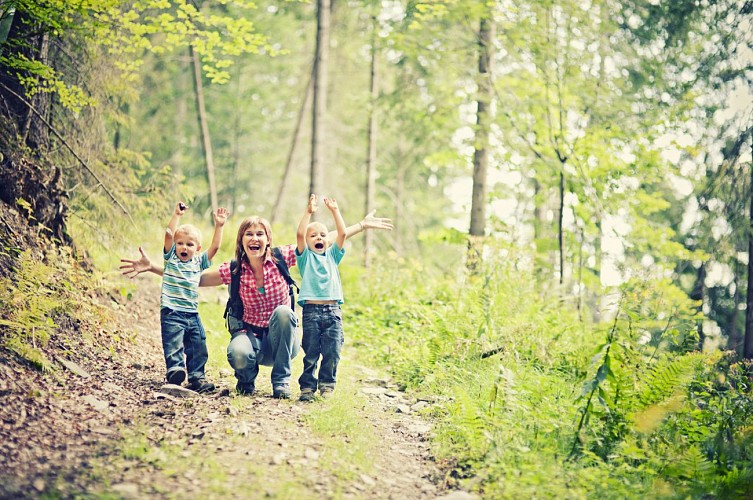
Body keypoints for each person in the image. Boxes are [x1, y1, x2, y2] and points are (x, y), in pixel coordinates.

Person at [120, 209, 393, 399]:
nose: (255, 238)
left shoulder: (282, 257)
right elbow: (194, 278)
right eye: (249, 234)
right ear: (241, 241)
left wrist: (361, 226)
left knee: (285, 313)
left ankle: (281, 380)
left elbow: (324, 239)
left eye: (260, 234)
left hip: (280, 344)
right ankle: (246, 380)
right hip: (250, 340)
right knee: (238, 353)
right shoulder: (235, 269)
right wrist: (155, 267)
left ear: (268, 239)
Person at [159, 202, 228, 394]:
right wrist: (176, 215)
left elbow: (214, 248)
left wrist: (219, 226)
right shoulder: (171, 257)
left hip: (192, 313)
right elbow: (168, 235)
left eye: (189, 244)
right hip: (171, 311)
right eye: (180, 243)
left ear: (197, 248)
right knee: (173, 342)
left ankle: (197, 377)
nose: (184, 247)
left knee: (198, 344)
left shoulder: (198, 261)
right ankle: (175, 370)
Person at [296, 194, 346, 402]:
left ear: (328, 240)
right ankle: (307, 387)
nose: (319, 238)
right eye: (313, 236)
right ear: (307, 242)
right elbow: (299, 233)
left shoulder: (333, 257)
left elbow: (342, 233)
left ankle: (327, 385)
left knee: (332, 351)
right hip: (311, 313)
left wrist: (335, 211)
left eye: (323, 235)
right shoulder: (305, 258)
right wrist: (308, 212)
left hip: (333, 312)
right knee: (311, 353)